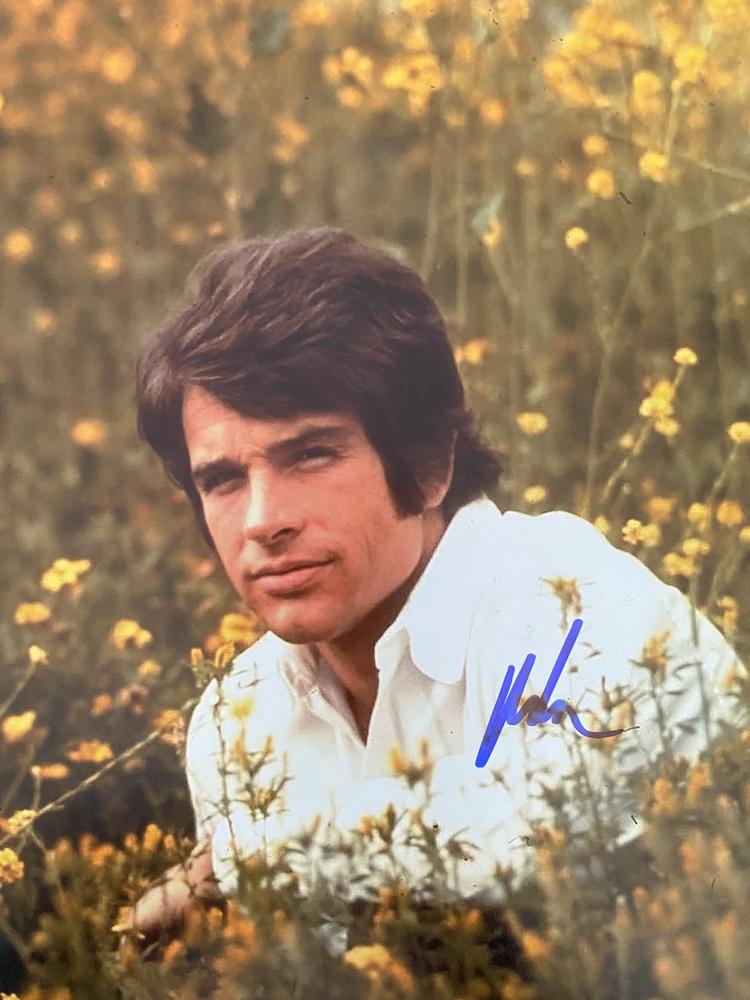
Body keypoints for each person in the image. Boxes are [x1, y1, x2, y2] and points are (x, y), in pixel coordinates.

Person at [127, 226, 741, 941]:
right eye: (222, 479)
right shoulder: (236, 720)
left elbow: (546, 828)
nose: (263, 521)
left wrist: (247, 861)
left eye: (311, 455)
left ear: (428, 465)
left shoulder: (576, 604)